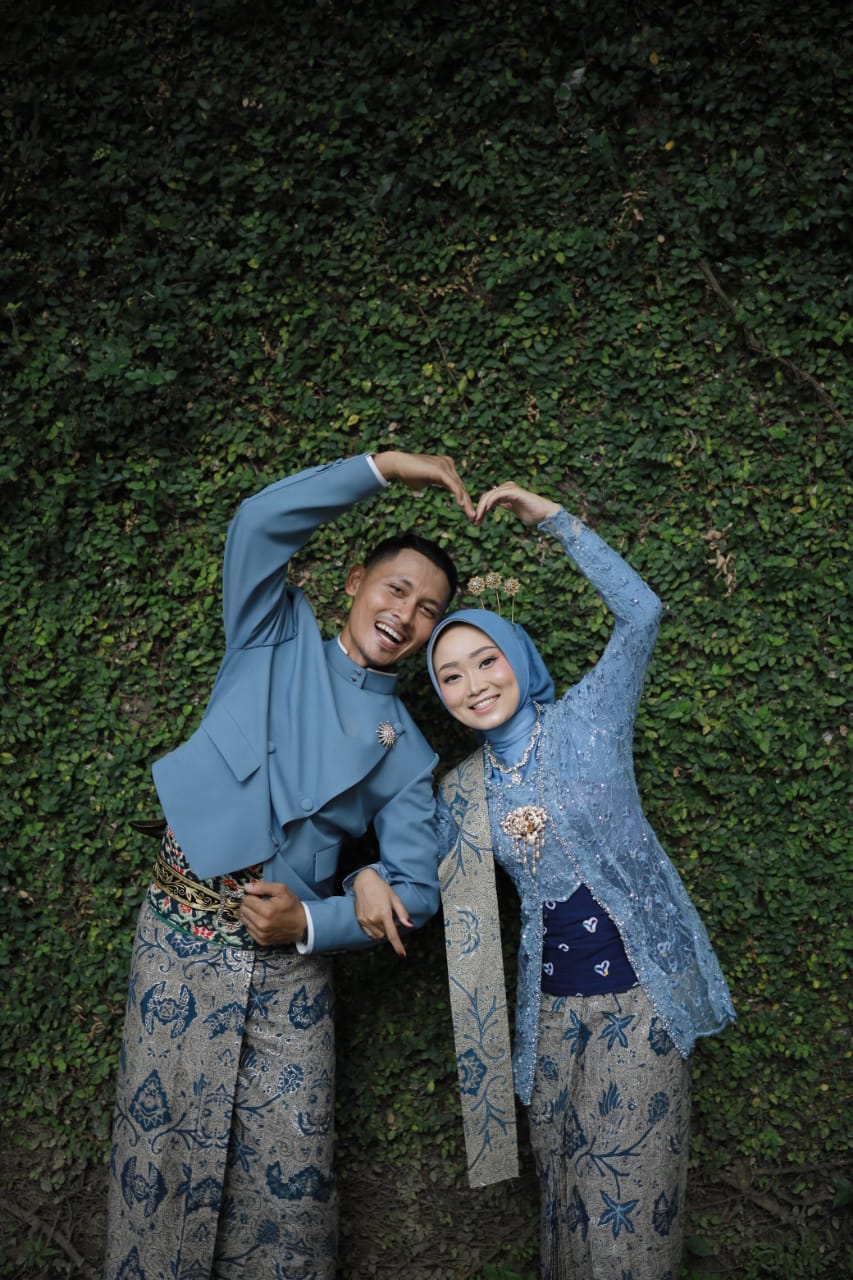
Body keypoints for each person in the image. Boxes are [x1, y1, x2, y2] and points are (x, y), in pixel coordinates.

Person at [104, 450, 474, 1280]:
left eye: (427, 610)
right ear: (355, 582)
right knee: (157, 1163)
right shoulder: (270, 631)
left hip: (287, 976)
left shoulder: (408, 754)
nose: (404, 615)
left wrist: (310, 917)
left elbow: (415, 891)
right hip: (179, 939)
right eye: (394, 589)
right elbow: (259, 522)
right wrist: (384, 467)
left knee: (287, 1188)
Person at [355, 480, 735, 1280]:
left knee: (626, 1211)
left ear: (517, 659)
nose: (473, 685)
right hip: (552, 1019)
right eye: (449, 676)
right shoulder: (462, 793)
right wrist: (364, 876)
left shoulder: (590, 720)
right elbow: (415, 878)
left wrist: (555, 522)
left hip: (639, 1003)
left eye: (484, 661)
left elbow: (642, 615)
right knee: (566, 1207)